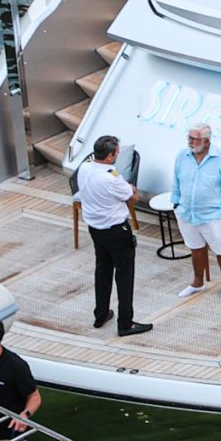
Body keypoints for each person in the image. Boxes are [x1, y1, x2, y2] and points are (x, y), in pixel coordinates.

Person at [76, 136, 152, 337]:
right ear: (109, 156)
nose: (118, 155)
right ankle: (125, 322)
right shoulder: (112, 177)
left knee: (102, 270)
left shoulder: (85, 168)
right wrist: (131, 190)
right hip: (116, 230)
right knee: (124, 276)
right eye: (116, 153)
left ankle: (100, 314)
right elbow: (132, 197)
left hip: (95, 228)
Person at [170, 122, 221, 298]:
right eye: (189, 138)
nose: (191, 142)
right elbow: (176, 180)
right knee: (195, 247)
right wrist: (175, 202)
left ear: (206, 141)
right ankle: (198, 282)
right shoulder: (181, 156)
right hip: (186, 213)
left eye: (195, 139)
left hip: (212, 214)